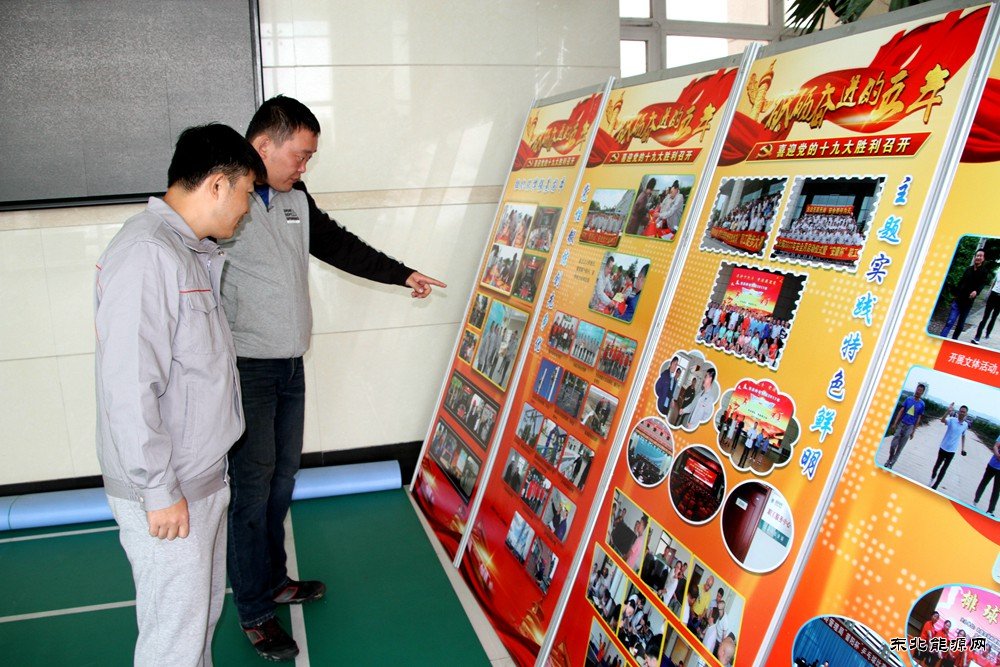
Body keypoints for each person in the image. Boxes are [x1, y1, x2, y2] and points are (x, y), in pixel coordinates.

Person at [220, 96, 445, 660]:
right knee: (250, 492)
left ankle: (274, 580)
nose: (305, 166)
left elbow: (339, 244)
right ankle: (254, 611)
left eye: (309, 157)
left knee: (281, 481)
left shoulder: (296, 198)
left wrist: (402, 274)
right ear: (262, 145)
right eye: (300, 155)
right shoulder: (225, 201)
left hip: (289, 364)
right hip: (247, 369)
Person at [95, 124, 264, 665]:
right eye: (246, 193)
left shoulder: (188, 251)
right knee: (174, 639)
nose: (247, 208)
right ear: (217, 184)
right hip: (170, 488)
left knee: (197, 624)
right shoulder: (147, 253)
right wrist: (158, 489)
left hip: (200, 475)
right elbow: (128, 384)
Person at [940, 249, 988, 340]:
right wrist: (955, 294)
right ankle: (941, 339)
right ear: (975, 257)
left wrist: (976, 291)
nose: (978, 257)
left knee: (960, 325)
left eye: (981, 256)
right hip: (958, 301)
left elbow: (982, 284)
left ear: (983, 258)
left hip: (968, 303)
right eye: (977, 255)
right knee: (950, 321)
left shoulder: (984, 272)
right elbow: (961, 282)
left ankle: (953, 341)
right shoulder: (968, 269)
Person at [885, 383, 926, 469]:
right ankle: (889, 459)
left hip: (910, 427)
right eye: (917, 389)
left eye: (920, 390)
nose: (918, 391)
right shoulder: (908, 399)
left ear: (922, 393)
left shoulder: (922, 404)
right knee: (893, 445)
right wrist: (895, 423)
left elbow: (918, 418)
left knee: (900, 448)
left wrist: (913, 431)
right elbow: (901, 411)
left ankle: (891, 464)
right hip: (902, 424)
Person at [931, 404, 969, 491]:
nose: (962, 413)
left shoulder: (965, 425)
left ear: (966, 414)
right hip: (943, 447)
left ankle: (936, 485)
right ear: (958, 412)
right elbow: (942, 420)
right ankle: (932, 477)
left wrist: (963, 448)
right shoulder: (952, 420)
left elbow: (963, 435)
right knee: (937, 466)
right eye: (961, 411)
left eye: (964, 412)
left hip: (952, 451)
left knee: (944, 469)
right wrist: (948, 411)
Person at [974, 434, 1000, 517]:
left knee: (996, 490)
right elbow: (995, 446)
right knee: (984, 482)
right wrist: (998, 455)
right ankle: (976, 500)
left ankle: (990, 510)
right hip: (992, 465)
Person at [972, 268, 1000, 345]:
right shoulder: (999, 271)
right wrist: (988, 294)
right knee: (985, 317)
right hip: (993, 295)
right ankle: (977, 336)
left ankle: (988, 332)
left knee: (994, 317)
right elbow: (994, 283)